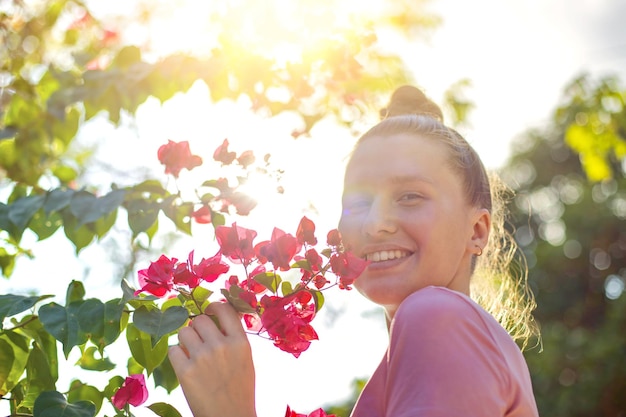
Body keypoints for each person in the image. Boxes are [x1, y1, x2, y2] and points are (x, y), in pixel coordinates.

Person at [167, 85, 540, 417]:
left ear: (477, 230)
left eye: (410, 196)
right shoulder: (459, 341)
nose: (375, 223)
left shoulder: (436, 314)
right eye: (358, 203)